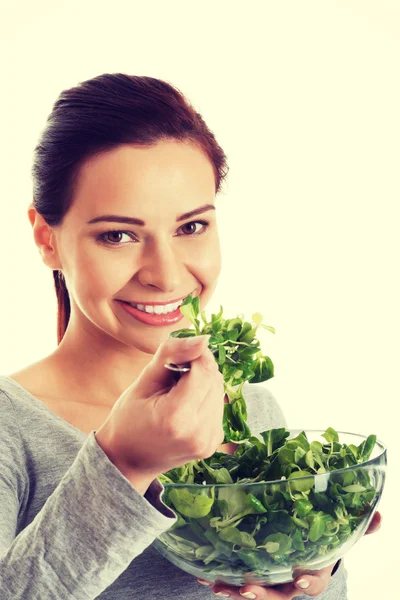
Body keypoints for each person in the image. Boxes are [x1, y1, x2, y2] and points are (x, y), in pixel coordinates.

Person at [0, 73, 380, 600]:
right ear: (47, 240)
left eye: (191, 227)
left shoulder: (253, 412)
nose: (167, 275)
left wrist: (314, 569)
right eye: (118, 235)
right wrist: (124, 466)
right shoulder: (9, 428)